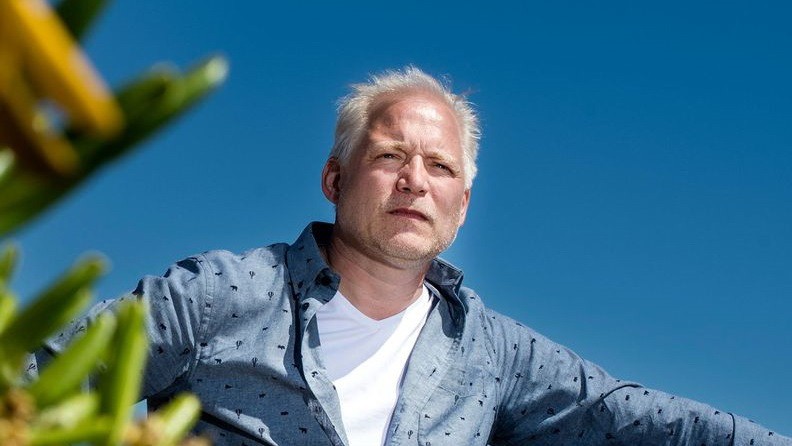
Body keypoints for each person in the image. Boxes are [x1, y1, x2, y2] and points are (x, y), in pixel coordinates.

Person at [32, 67, 790, 446]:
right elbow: (39, 378)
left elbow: (640, 420)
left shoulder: (492, 353)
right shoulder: (219, 296)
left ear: (462, 205)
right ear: (334, 179)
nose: (414, 182)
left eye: (441, 167)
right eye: (390, 155)